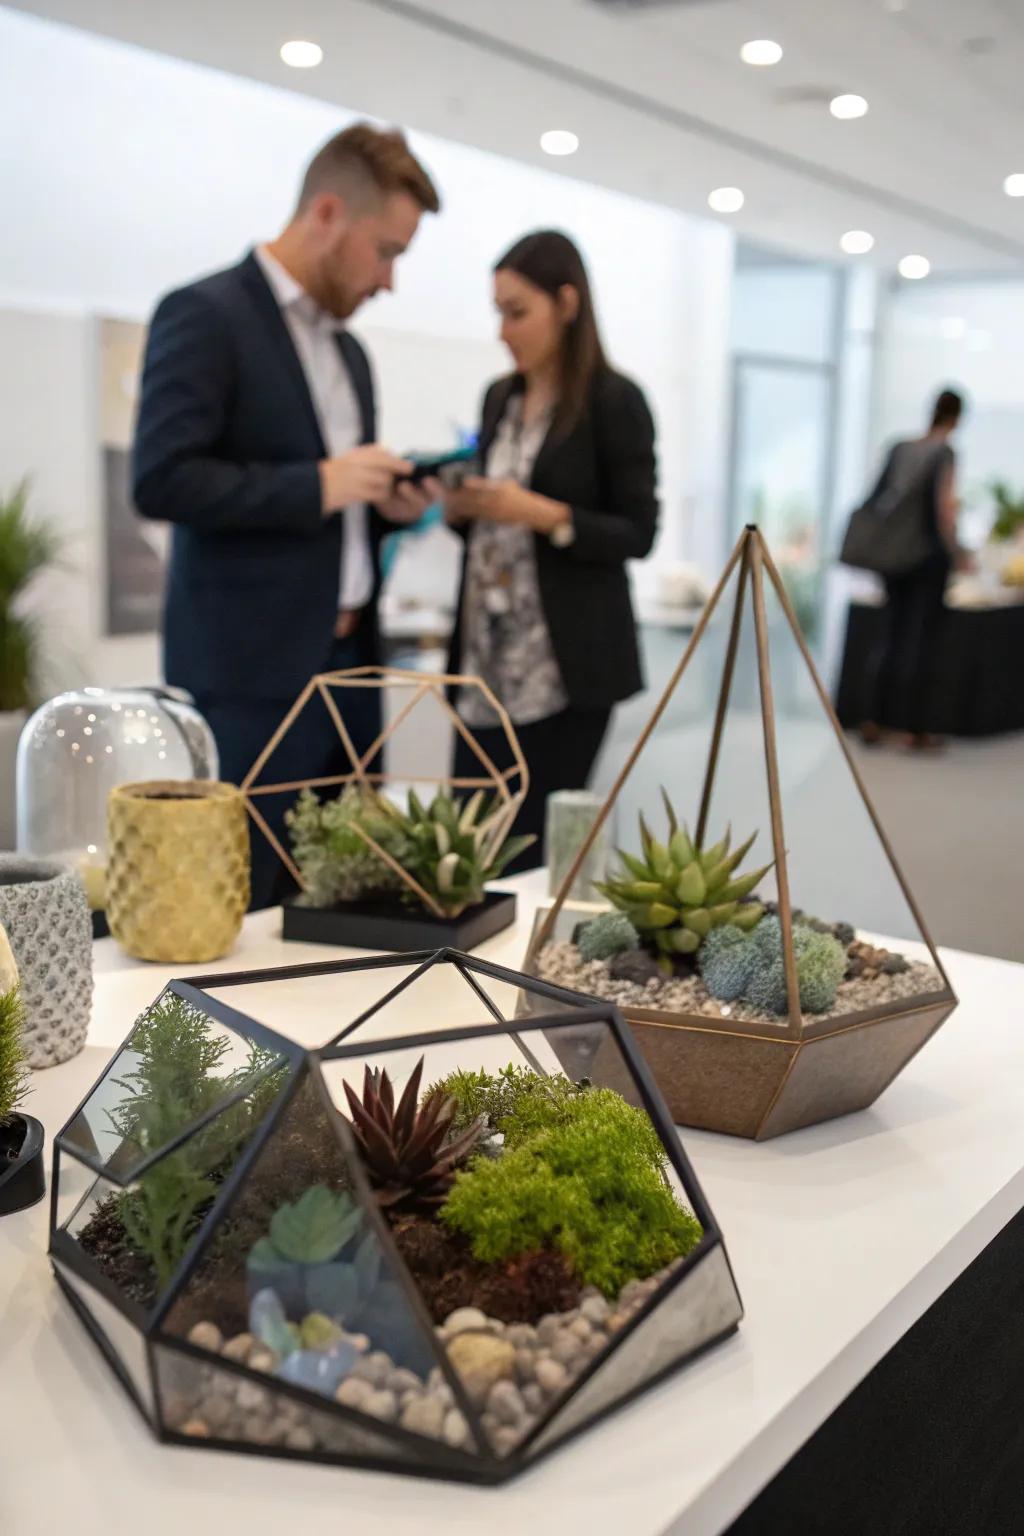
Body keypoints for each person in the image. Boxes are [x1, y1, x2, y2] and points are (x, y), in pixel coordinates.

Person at [133, 123, 442, 905]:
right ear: (329, 213)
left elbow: (334, 513)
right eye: (388, 251)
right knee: (243, 909)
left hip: (350, 673)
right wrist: (320, 484)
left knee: (345, 901)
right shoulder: (204, 314)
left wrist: (385, 509)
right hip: (250, 682)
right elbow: (161, 480)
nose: (391, 280)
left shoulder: (351, 355)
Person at [443, 230, 659, 866]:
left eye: (517, 312)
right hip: (484, 658)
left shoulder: (614, 402)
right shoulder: (499, 398)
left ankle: (527, 966)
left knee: (532, 851)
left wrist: (542, 514)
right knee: (466, 847)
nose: (503, 331)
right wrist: (461, 509)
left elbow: (638, 531)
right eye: (498, 312)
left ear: (567, 304)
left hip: (564, 666)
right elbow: (491, 532)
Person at [861, 387, 967, 750]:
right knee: (921, 641)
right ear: (956, 418)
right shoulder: (944, 453)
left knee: (888, 635)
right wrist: (958, 552)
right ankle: (914, 729)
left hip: (892, 557)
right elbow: (944, 510)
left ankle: (874, 720)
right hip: (926, 558)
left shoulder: (900, 447)